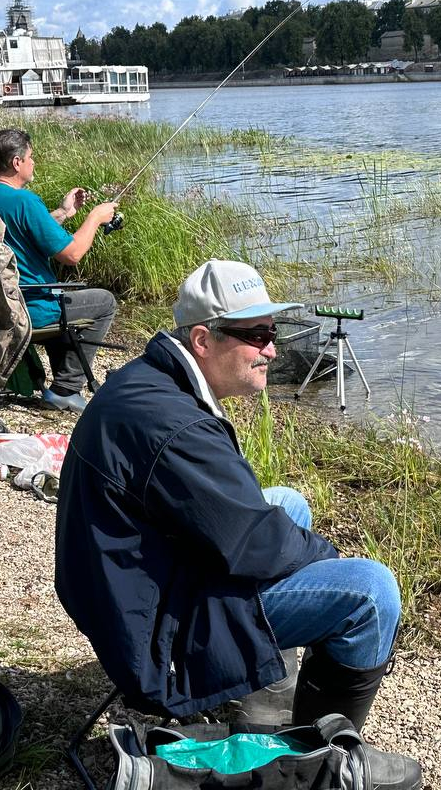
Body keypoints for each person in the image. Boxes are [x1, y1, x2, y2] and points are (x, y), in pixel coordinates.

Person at [54, 260, 418, 788]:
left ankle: (257, 686)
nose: (271, 349)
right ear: (203, 339)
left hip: (122, 585)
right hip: (151, 631)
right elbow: (257, 542)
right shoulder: (177, 427)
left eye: (271, 331)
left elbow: (249, 525)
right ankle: (313, 758)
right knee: (370, 594)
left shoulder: (150, 381)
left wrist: (301, 551)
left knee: (287, 502)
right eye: (256, 335)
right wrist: (329, 558)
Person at [0, 128, 118, 411]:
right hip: (27, 306)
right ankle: (66, 387)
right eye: (31, 158)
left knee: (63, 298)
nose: (33, 163)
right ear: (17, 163)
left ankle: (59, 378)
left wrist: (63, 213)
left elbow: (19, 232)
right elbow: (72, 255)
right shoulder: (24, 200)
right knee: (104, 302)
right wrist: (95, 218)